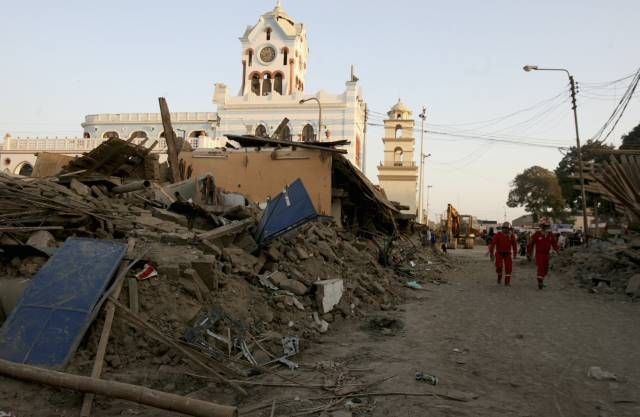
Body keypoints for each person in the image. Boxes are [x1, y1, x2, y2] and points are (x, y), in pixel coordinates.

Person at [527, 218, 559, 290]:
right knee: (540, 267)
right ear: (542, 226)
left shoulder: (550, 235)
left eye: (548, 226)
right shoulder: (537, 234)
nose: (546, 228)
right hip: (539, 254)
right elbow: (530, 244)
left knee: (546, 269)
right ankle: (540, 282)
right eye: (545, 226)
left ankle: (541, 279)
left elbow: (554, 244)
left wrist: (558, 251)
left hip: (547, 254)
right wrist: (529, 253)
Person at [489, 222, 518, 286]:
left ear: (509, 229)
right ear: (502, 228)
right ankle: (499, 276)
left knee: (509, 268)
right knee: (499, 266)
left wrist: (515, 254)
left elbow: (514, 245)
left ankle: (507, 282)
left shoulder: (511, 236)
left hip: (508, 254)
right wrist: (491, 254)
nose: (505, 229)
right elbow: (492, 244)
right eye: (504, 228)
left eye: (507, 228)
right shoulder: (498, 235)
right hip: (499, 253)